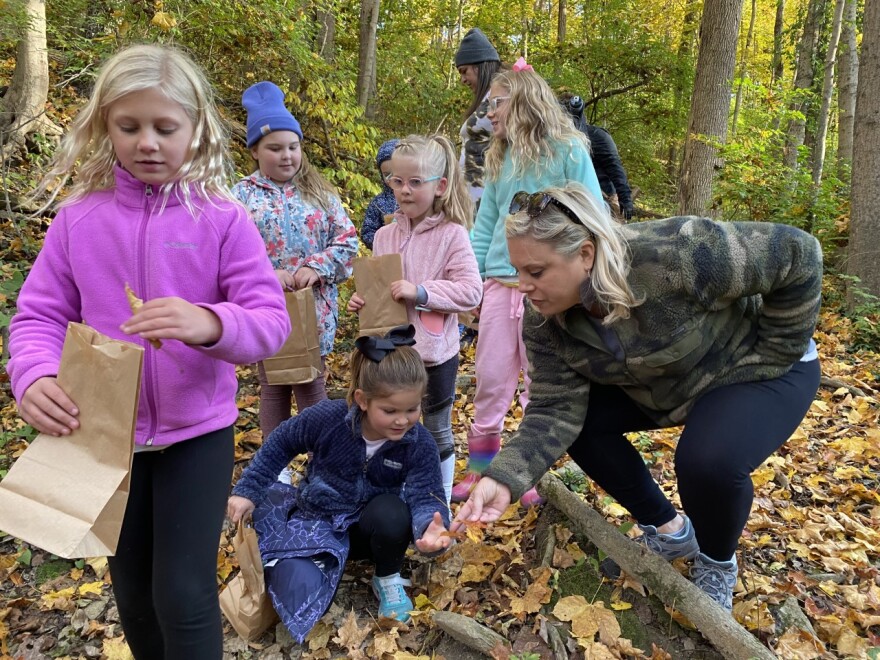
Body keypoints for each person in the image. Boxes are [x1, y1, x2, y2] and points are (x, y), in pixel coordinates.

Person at [7, 45, 291, 658]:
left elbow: (270, 322)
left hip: (197, 434)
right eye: (129, 126)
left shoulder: (221, 219)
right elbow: (38, 315)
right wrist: (30, 376)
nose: (148, 143)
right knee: (133, 594)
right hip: (107, 437)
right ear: (105, 126)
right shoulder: (79, 220)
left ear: (196, 129)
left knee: (182, 595)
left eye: (166, 128)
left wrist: (210, 322)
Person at [454, 182, 822, 611]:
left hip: (761, 368)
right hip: (670, 385)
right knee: (583, 425)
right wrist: (502, 479)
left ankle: (718, 562)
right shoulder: (544, 322)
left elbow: (799, 254)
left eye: (536, 272)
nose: (524, 286)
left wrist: (777, 348)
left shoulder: (677, 254)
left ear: (585, 255)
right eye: (517, 271)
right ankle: (669, 532)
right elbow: (554, 411)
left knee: (708, 463)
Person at [227, 326, 452, 641]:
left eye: (412, 409)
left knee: (393, 512)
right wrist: (248, 490)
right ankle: (311, 558)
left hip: (370, 530)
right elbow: (280, 442)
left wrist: (429, 527)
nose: (403, 420)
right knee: (295, 591)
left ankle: (387, 576)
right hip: (319, 518)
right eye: (390, 411)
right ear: (362, 400)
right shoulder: (328, 419)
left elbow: (426, 494)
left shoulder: (419, 442)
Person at [451, 64, 604, 507]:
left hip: (552, 290)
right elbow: (485, 224)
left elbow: (592, 214)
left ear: (524, 101)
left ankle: (523, 469)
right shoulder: (499, 156)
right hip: (501, 283)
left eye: (496, 103)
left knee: (541, 383)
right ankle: (481, 467)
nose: (489, 113)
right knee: (492, 378)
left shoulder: (568, 150)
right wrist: (474, 283)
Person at [347, 135, 482, 505]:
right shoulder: (385, 235)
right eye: (396, 181)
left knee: (436, 429)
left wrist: (421, 292)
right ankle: (393, 493)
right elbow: (380, 290)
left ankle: (438, 502)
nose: (404, 191)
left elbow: (472, 291)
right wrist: (364, 301)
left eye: (414, 182)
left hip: (435, 356)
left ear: (439, 186)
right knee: (390, 425)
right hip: (392, 353)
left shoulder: (452, 235)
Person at [232, 81, 358, 446]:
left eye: (293, 146)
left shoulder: (319, 191)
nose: (286, 156)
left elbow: (347, 240)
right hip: (264, 306)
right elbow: (229, 252)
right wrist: (266, 275)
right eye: (275, 148)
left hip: (313, 309)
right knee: (272, 384)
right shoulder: (240, 197)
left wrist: (317, 267)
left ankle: (322, 463)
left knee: (310, 381)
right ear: (255, 151)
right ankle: (276, 471)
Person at [562, 94, 634, 221]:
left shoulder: (598, 136)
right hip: (572, 199)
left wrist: (625, 199)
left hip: (605, 198)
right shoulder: (558, 142)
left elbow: (615, 168)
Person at [455, 27, 503, 203]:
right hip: (473, 201)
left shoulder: (504, 98)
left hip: (489, 199)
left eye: (464, 71)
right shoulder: (485, 99)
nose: (463, 80)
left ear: (480, 66)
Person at [360, 138, 400, 250]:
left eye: (396, 172)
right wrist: (381, 242)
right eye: (387, 174)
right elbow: (367, 231)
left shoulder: (415, 196)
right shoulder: (378, 203)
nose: (392, 178)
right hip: (388, 258)